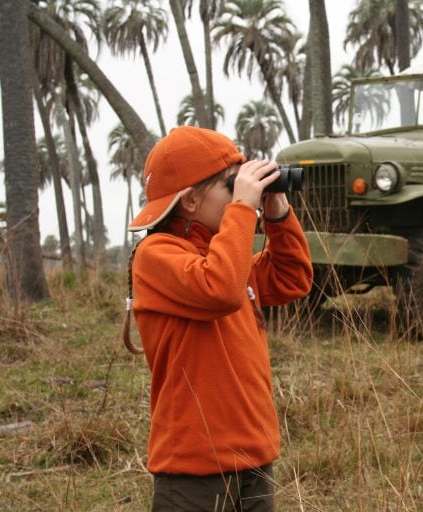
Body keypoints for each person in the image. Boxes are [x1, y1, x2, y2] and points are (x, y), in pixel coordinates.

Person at [122, 126, 313, 511]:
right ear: (190, 200)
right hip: (194, 470)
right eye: (232, 186)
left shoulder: (228, 255)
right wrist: (243, 210)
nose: (246, 194)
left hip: (254, 457)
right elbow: (220, 289)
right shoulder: (157, 256)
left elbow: (293, 278)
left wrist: (276, 212)